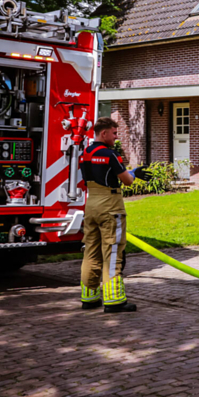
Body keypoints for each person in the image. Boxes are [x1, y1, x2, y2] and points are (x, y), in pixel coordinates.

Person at [79, 117, 150, 313]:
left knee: (90, 251)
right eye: (114, 133)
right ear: (104, 133)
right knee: (112, 251)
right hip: (110, 206)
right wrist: (135, 173)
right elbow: (127, 180)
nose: (116, 137)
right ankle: (114, 300)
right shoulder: (111, 154)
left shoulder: (85, 153)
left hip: (91, 204)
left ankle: (89, 297)